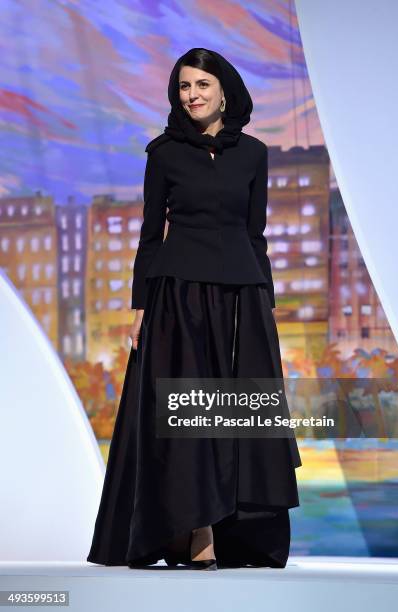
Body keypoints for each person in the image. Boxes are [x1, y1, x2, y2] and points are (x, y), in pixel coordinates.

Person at [86, 47, 302, 572]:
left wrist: (264, 303)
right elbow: (148, 236)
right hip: (177, 297)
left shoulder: (253, 153)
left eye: (202, 85)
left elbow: (256, 234)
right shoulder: (162, 153)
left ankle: (239, 531)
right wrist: (139, 306)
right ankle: (196, 527)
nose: (193, 96)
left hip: (240, 298)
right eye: (184, 87)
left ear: (223, 90)